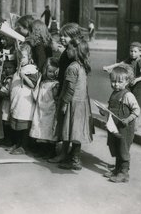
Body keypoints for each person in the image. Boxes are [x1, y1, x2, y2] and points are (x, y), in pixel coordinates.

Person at [48, 22, 84, 163]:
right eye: (61, 35)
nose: (62, 38)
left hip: (73, 95)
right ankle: (65, 153)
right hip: (66, 91)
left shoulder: (76, 56)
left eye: (66, 36)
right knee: (65, 124)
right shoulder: (67, 52)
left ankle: (74, 156)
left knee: (74, 125)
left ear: (75, 38)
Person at [57, 39, 93, 171]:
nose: (66, 51)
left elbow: (70, 89)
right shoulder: (82, 66)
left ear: (76, 51)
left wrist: (64, 103)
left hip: (73, 104)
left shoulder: (72, 67)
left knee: (71, 130)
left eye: (69, 49)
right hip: (82, 104)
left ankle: (74, 160)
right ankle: (75, 158)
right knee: (76, 132)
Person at [100, 65, 140, 183]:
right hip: (115, 127)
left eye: (119, 82)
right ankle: (117, 170)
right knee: (116, 147)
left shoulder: (128, 95)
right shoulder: (113, 93)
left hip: (124, 128)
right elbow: (111, 108)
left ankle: (124, 173)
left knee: (123, 149)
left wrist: (128, 119)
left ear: (127, 82)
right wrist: (103, 111)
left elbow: (136, 110)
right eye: (113, 81)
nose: (116, 85)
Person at [9, 43, 40, 155]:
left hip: (25, 102)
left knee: (23, 124)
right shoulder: (19, 68)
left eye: (23, 57)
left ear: (29, 57)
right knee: (16, 121)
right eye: (19, 57)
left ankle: (23, 146)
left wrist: (24, 76)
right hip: (17, 100)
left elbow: (33, 84)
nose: (21, 59)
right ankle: (16, 143)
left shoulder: (31, 69)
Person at [103, 42, 141, 113]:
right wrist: (109, 67)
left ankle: (137, 119)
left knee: (137, 103)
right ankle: (126, 114)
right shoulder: (130, 59)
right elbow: (119, 64)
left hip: (139, 85)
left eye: (135, 51)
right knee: (127, 98)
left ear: (140, 52)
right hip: (131, 82)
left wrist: (136, 80)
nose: (133, 53)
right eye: (131, 51)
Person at [29, 57, 59, 159]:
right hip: (40, 109)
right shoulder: (42, 82)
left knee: (49, 130)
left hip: (50, 110)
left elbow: (55, 98)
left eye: (54, 72)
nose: (51, 74)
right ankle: (42, 149)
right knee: (40, 129)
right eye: (49, 71)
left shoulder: (55, 84)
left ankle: (51, 151)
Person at [0, 59, 17, 147]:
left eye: (10, 67)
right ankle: (6, 138)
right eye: (5, 68)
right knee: (4, 120)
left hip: (9, 102)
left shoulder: (11, 79)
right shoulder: (6, 77)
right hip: (5, 102)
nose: (7, 70)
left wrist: (0, 87)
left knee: (7, 120)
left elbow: (6, 91)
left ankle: (9, 140)